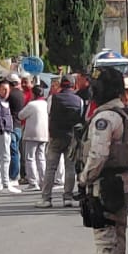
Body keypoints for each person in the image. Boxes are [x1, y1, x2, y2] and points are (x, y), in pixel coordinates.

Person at [77, 67, 128, 254]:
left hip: (104, 182)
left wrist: (84, 178)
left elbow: (98, 155)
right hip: (121, 180)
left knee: (104, 233)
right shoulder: (125, 112)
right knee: (118, 234)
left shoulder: (104, 118)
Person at [41, 76, 86, 208]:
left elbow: (49, 114)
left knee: (50, 168)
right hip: (71, 137)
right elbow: (80, 117)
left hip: (55, 136)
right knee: (70, 168)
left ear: (61, 85)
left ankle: (46, 199)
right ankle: (68, 197)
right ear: (73, 85)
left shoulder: (53, 98)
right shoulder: (79, 100)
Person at [19, 84, 50, 194]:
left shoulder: (32, 104)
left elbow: (21, 115)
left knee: (30, 157)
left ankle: (33, 182)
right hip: (44, 133)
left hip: (32, 134)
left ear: (34, 94)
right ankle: (43, 181)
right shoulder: (46, 104)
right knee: (41, 158)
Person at [6, 73, 26, 184]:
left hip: (12, 125)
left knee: (13, 152)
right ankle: (16, 174)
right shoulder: (21, 94)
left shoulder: (10, 95)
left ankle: (13, 176)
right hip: (19, 125)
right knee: (17, 151)